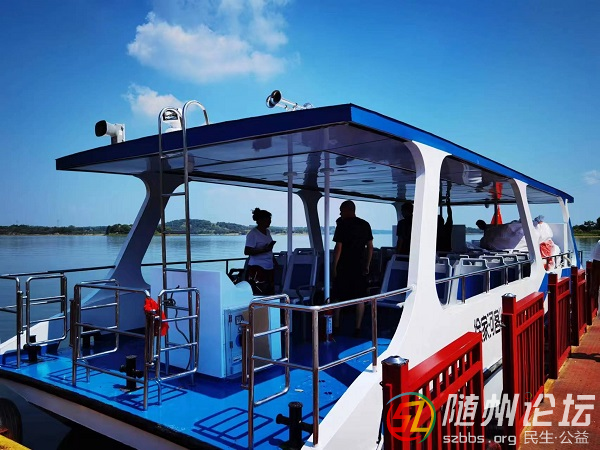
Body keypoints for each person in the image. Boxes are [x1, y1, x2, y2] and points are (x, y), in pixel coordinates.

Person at [332, 200, 373, 337]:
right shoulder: (365, 224)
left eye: (341, 210)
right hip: (360, 266)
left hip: (344, 266)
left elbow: (338, 248)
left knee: (338, 297)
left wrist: (334, 266)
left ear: (346, 210)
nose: (340, 213)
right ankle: (357, 328)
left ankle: (336, 327)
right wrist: (367, 264)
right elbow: (370, 247)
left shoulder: (342, 225)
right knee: (360, 297)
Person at [244, 208, 276, 295]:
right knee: (259, 292)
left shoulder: (267, 232)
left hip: (269, 266)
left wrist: (274, 262)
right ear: (260, 220)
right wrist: (263, 250)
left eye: (270, 219)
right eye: (268, 219)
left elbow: (269, 249)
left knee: (269, 291)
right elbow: (247, 251)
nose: (270, 221)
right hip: (257, 268)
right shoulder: (253, 234)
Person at [591, 240, 600, 309]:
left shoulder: (599, 242)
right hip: (598, 263)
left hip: (596, 263)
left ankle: (595, 306)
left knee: (595, 286)